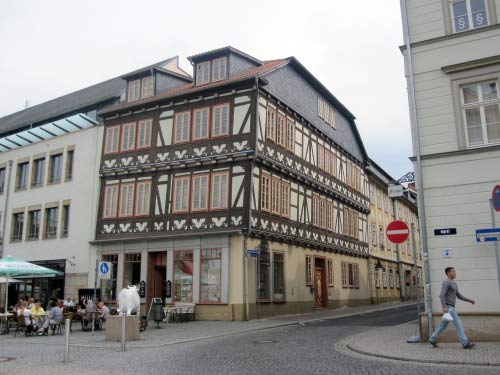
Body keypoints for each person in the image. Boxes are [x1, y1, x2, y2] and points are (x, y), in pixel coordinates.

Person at [428, 267, 476, 349]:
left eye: (455, 272)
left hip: (451, 307)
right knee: (458, 324)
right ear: (448, 273)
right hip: (449, 307)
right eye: (453, 272)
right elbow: (441, 295)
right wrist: (444, 307)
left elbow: (459, 296)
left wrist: (469, 300)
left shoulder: (454, 283)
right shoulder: (446, 282)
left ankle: (432, 339)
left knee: (443, 325)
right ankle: (464, 343)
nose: (455, 273)